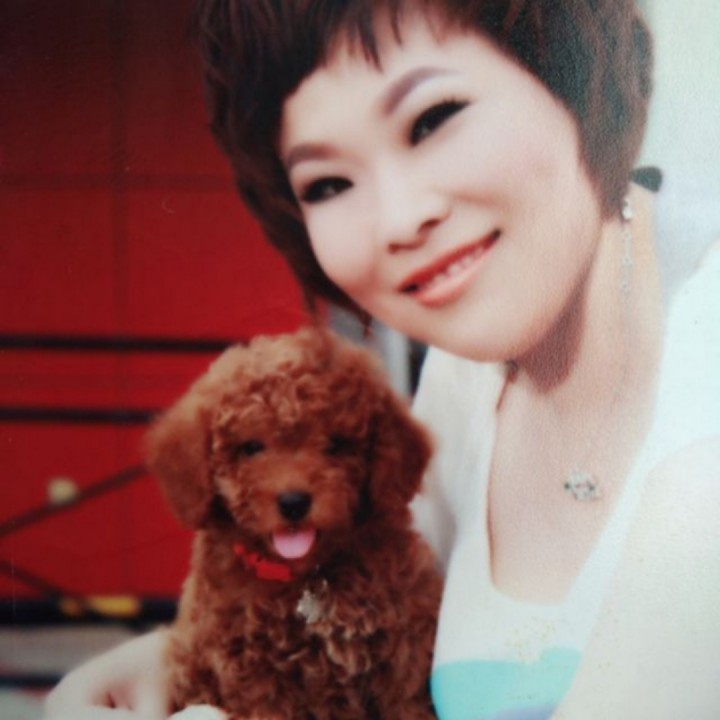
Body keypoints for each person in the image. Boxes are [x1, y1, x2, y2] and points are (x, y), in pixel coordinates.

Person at [45, 1, 720, 718]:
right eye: (327, 184)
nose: (399, 220)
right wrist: (169, 661)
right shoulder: (467, 378)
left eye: (433, 119)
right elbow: (379, 616)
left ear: (574, 75)